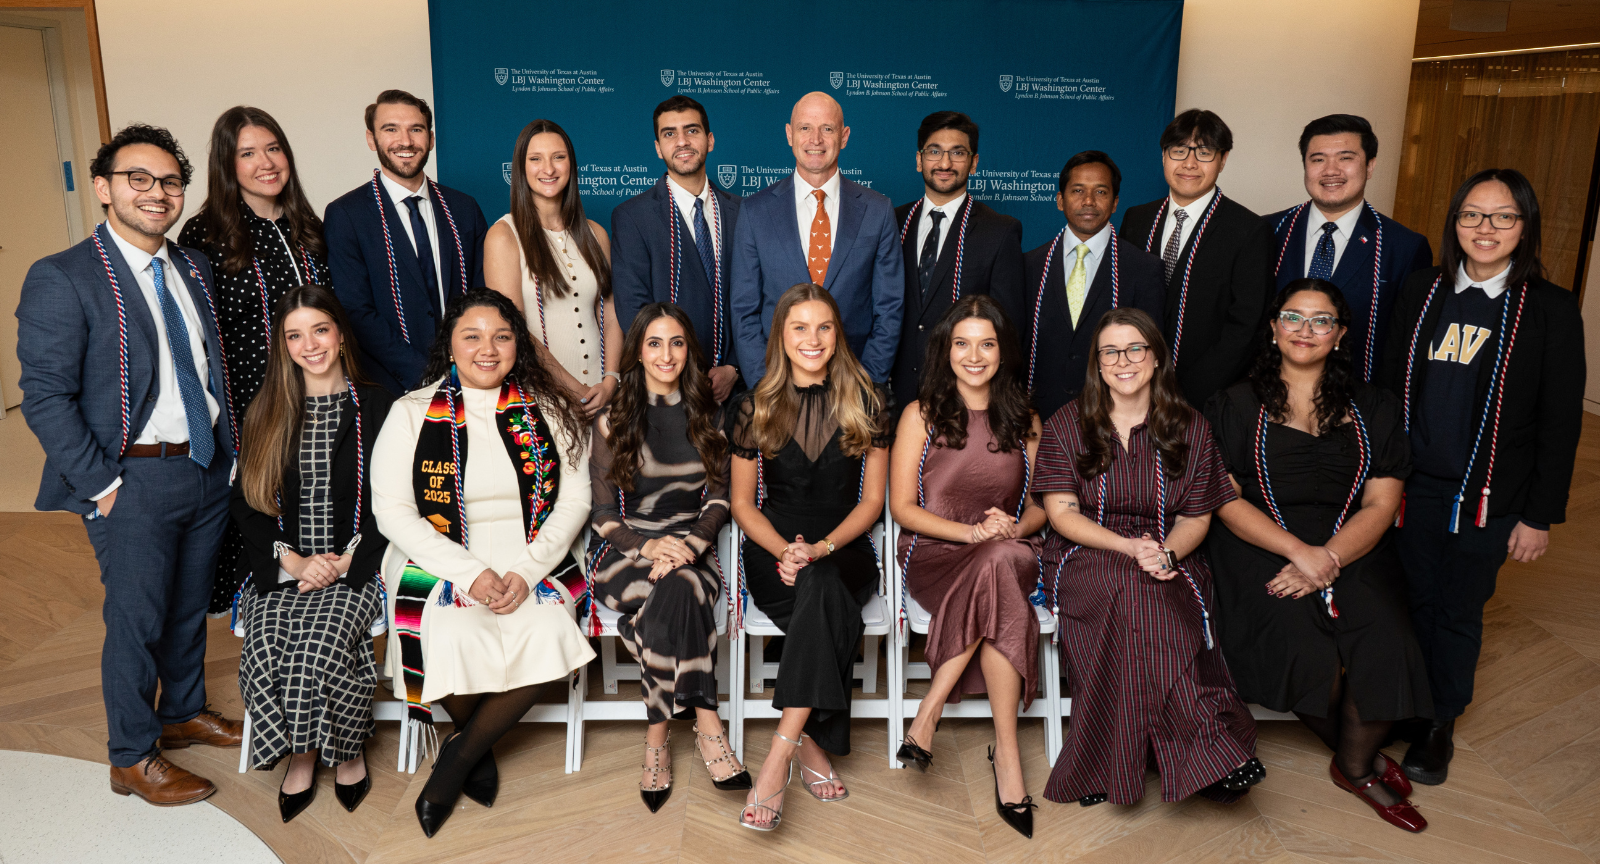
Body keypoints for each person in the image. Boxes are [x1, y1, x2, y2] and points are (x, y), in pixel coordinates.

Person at [18, 124, 243, 805]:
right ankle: (131, 755)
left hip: (203, 469)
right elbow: (45, 396)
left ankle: (180, 711)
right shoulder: (64, 276)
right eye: (137, 179)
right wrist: (106, 487)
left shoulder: (190, 267)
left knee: (185, 608)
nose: (156, 193)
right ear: (104, 188)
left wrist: (227, 458)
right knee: (138, 618)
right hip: (132, 477)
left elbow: (206, 366)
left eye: (170, 181)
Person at [1378, 168, 1584, 786]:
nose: (1485, 228)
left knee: (1458, 608)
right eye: (1472, 214)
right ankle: (1407, 703)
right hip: (1415, 487)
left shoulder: (1548, 309)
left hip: (1490, 497)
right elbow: (1388, 393)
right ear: (1454, 222)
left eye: (1502, 217)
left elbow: (1559, 419)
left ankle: (1440, 719)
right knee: (1410, 599)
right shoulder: (1421, 291)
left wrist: (1539, 515)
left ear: (1525, 227)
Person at [1206, 280, 1430, 832]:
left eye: (1321, 320)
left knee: (1386, 639)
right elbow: (1225, 498)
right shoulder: (1234, 403)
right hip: (1260, 543)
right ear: (1274, 328)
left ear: (1340, 334)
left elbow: (1381, 501)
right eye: (1293, 317)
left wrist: (1327, 556)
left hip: (1352, 541)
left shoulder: (1373, 405)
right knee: (1301, 646)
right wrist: (1298, 553)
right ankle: (1359, 755)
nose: (1306, 330)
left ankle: (1353, 766)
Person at [373, 288, 596, 837]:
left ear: (517, 345)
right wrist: (470, 574)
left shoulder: (549, 410)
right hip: (441, 558)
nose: (487, 349)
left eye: (501, 336)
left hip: (531, 555)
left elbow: (575, 499)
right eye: (471, 336)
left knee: (547, 629)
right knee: (445, 633)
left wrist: (524, 571)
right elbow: (393, 511)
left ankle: (458, 756)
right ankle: (476, 746)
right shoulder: (410, 412)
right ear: (450, 345)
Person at [1034, 308, 1262, 806]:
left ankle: (1108, 766)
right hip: (1086, 551)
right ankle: (1208, 748)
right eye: (1111, 351)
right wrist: (1128, 548)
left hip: (1167, 550)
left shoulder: (1190, 427)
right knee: (1134, 589)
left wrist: (1165, 554)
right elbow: (1061, 514)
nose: (1124, 361)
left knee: (1148, 592)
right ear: (1097, 363)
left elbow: (1198, 517)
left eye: (1135, 348)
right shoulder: (1067, 424)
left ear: (1156, 357)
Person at [727, 283, 893, 830]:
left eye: (824, 327)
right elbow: (743, 505)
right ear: (781, 336)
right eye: (799, 327)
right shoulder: (753, 406)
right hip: (773, 552)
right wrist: (785, 552)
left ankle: (778, 756)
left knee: (823, 585)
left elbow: (872, 503)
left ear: (837, 334)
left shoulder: (868, 401)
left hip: (842, 547)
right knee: (820, 594)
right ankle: (807, 747)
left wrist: (819, 549)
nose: (812, 339)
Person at [230, 285, 393, 822]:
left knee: (320, 643)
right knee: (266, 645)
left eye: (319, 330)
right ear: (283, 345)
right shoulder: (268, 409)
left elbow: (396, 497)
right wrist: (294, 562)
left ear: (340, 334)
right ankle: (299, 757)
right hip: (286, 569)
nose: (310, 345)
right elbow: (249, 503)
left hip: (355, 566)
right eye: (294, 336)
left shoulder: (380, 404)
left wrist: (346, 560)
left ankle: (343, 752)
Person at [889, 295, 1045, 839]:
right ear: (945, 350)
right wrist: (972, 532)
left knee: (1002, 562)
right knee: (999, 581)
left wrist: (1012, 529)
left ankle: (927, 713)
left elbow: (1041, 505)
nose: (973, 355)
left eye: (986, 343)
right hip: (936, 552)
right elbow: (903, 509)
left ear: (1003, 352)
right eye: (962, 343)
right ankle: (1007, 755)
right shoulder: (921, 415)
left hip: (1009, 547)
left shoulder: (1025, 417)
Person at [587, 303, 749, 813]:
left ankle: (656, 740)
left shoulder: (710, 413)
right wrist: (648, 546)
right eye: (654, 343)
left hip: (690, 549)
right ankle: (708, 726)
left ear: (690, 350)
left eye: (676, 342)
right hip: (624, 552)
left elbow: (721, 500)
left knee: (679, 589)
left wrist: (687, 547)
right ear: (638, 350)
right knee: (680, 593)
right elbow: (599, 510)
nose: (666, 354)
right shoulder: (613, 417)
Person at [180, 105, 333, 618]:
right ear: (228, 164)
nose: (265, 162)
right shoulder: (205, 235)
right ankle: (268, 627)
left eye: (273, 148)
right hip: (254, 404)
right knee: (265, 511)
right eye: (248, 153)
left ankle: (328, 608)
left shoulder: (308, 226)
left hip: (321, 394)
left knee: (319, 505)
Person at [325, 89, 491, 396]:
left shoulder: (464, 209)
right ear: (371, 139)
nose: (406, 141)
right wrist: (425, 373)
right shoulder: (347, 214)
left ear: (430, 138)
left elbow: (482, 294)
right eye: (391, 129)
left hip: (468, 378)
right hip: (389, 385)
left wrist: (466, 368)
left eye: (416, 129)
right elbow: (355, 310)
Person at [730, 92, 904, 385]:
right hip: (777, 387)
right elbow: (744, 310)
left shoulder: (878, 210)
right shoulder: (755, 211)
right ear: (789, 134)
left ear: (844, 136)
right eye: (805, 128)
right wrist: (765, 384)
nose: (816, 139)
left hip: (853, 384)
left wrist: (866, 383)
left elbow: (890, 308)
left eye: (827, 128)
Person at [1120, 109, 1275, 409]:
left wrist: (1186, 392)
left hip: (1207, 396)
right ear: (1164, 156)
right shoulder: (1137, 219)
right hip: (1133, 387)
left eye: (1204, 152)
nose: (1189, 163)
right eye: (1179, 151)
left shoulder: (1248, 230)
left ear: (1223, 159)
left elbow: (1246, 326)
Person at [1266, 115, 1432, 381]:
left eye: (1345, 158)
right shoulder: (1267, 232)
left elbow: (1406, 346)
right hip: (1269, 393)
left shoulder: (1403, 247)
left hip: (1357, 402)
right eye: (1318, 159)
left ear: (1370, 166)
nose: (1331, 170)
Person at [1002, 151, 1165, 422]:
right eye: (1078, 190)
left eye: (1100, 192)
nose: (1088, 201)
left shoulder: (1144, 269)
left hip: (1115, 416)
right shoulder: (1028, 266)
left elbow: (1151, 353)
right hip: (1037, 416)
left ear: (1115, 203)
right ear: (1059, 200)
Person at [485, 119, 624, 420]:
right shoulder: (504, 235)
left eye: (558, 157)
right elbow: (513, 329)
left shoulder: (595, 234)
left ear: (571, 165)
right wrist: (575, 391)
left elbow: (612, 315)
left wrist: (611, 380)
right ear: (520, 169)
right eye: (535, 159)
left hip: (603, 398)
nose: (548, 169)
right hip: (542, 398)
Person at [610, 96, 743, 402]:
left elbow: (756, 300)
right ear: (658, 147)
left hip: (735, 390)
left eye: (692, 131)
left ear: (709, 140)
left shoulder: (742, 213)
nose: (682, 141)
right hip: (667, 389)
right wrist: (677, 371)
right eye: (670, 134)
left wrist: (734, 368)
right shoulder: (633, 216)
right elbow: (634, 310)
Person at [890, 112, 1024, 414]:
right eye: (934, 151)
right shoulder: (891, 222)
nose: (945, 163)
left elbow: (1008, 328)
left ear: (974, 163)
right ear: (919, 159)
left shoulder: (999, 231)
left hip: (964, 399)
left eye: (958, 153)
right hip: (893, 396)